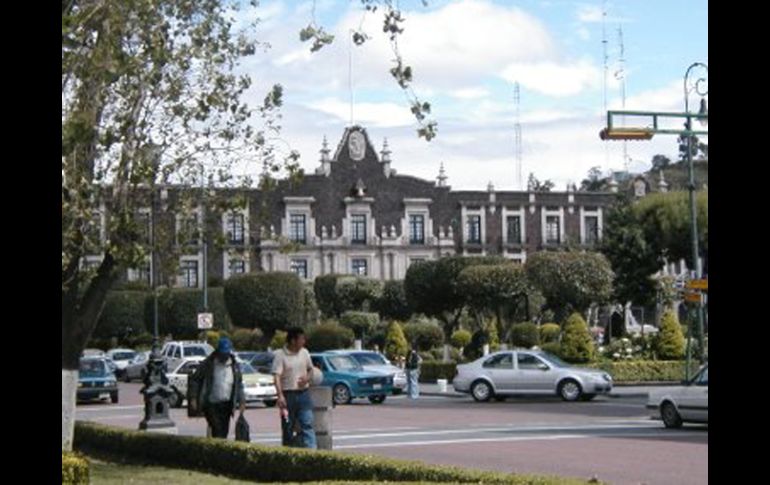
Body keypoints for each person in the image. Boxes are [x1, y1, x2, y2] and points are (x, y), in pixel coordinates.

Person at [272, 327, 322, 448]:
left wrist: (307, 378)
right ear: (293, 340)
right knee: (288, 427)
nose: (304, 341)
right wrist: (280, 396)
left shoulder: (304, 352)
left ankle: (311, 451)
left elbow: (311, 369)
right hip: (288, 395)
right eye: (301, 339)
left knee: (307, 423)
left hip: (303, 394)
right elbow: (276, 376)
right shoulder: (280, 355)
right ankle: (288, 452)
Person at [189, 337, 245, 439]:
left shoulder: (234, 365)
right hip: (211, 404)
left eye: (226, 354)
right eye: (222, 354)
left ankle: (217, 447)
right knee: (217, 429)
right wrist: (193, 398)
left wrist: (242, 401)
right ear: (218, 352)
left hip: (227, 404)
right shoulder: (208, 363)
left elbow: (239, 384)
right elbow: (195, 379)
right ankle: (218, 446)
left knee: (223, 431)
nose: (224, 357)